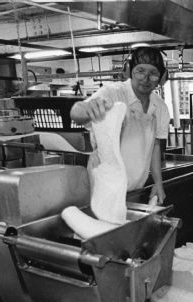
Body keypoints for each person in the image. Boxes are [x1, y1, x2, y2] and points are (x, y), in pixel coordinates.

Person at [70, 46, 170, 204]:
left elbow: (155, 146)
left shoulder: (160, 107)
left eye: (153, 73)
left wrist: (158, 183)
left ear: (161, 77)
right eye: (140, 71)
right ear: (129, 71)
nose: (146, 78)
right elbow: (76, 113)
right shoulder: (112, 93)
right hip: (104, 186)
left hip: (136, 185)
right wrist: (86, 108)